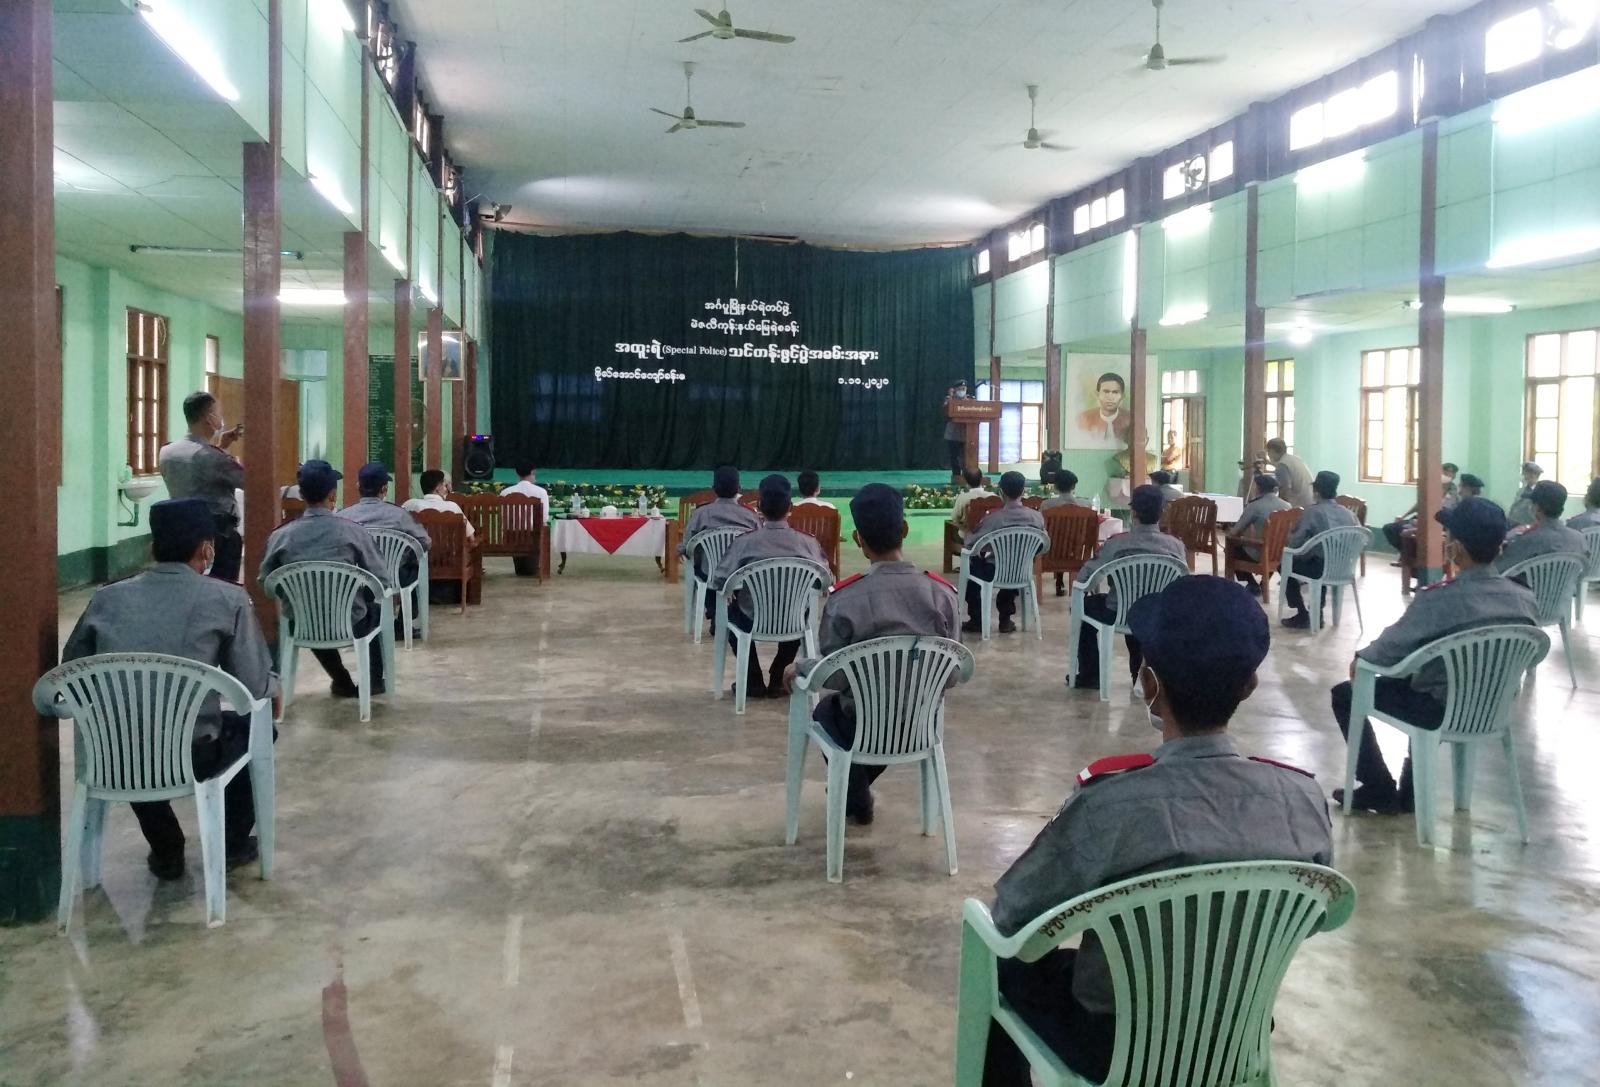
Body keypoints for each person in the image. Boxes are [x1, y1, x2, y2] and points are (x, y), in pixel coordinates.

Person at [985, 576, 1331, 1085]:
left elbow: (1014, 916)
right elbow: (1315, 917)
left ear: (1149, 685)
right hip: (1235, 1033)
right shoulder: (1301, 799)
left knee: (996, 961)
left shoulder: (1110, 802)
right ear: (1250, 686)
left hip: (1114, 1044)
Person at [61, 498, 277, 879]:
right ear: (207, 550)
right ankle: (232, 843)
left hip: (112, 754)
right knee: (257, 729)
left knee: (133, 732)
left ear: (152, 549)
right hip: (190, 755)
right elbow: (254, 684)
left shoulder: (106, 598)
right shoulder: (227, 599)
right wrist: (273, 689)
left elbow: (72, 668)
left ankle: (166, 846)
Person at [1330, 498, 1538, 813]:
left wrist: (1361, 658)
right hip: (1494, 709)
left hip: (1440, 711)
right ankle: (1410, 794)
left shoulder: (1440, 599)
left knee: (1347, 694)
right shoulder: (1524, 598)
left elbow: (1383, 654)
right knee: (1428, 682)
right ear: (1500, 546)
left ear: (1457, 548)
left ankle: (1378, 787)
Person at [782, 483, 959, 824]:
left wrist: (801, 666)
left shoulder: (845, 599)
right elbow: (950, 673)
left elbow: (834, 676)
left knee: (826, 711)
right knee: (886, 717)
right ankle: (855, 792)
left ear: (858, 539)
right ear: (904, 530)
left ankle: (854, 792)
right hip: (921, 722)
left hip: (861, 723)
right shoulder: (942, 594)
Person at [259, 461, 389, 698]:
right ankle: (374, 683)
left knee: (311, 614)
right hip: (351, 620)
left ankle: (341, 680)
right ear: (333, 495)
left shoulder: (280, 536)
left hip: (301, 622)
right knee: (374, 610)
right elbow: (381, 580)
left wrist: (296, 594)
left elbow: (266, 583)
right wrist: (361, 595)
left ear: (302, 495)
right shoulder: (353, 531)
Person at [710, 475, 830, 698]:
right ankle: (778, 677)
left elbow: (719, 580)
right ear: (790, 507)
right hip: (793, 618)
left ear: (759, 507)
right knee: (802, 611)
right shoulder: (808, 543)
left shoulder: (744, 542)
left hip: (752, 616)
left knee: (730, 611)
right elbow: (825, 579)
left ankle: (752, 679)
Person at [1068, 485, 1185, 689]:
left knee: (1084, 608)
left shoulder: (1117, 543)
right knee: (1142, 610)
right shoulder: (1176, 546)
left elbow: (1085, 579)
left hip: (1117, 611)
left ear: (1133, 512)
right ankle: (1144, 675)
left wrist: (1085, 589)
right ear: (1162, 512)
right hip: (1157, 613)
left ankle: (1090, 675)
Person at [158, 391, 245, 582]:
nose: (221, 418)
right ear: (210, 419)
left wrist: (222, 447)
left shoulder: (167, 451)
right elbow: (248, 480)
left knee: (188, 583)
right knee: (221, 587)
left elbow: (201, 474)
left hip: (180, 531)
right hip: (217, 535)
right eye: (219, 413)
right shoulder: (211, 457)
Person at [962, 471, 1046, 635]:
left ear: (1001, 491)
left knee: (973, 567)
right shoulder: (1037, 517)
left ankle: (977, 620)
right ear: (1023, 491)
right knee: (1012, 565)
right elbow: (1043, 543)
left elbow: (971, 544)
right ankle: (1005, 619)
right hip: (1022, 571)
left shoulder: (993, 519)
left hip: (994, 571)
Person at [336, 463, 431, 603]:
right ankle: (407, 615)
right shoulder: (399, 515)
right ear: (384, 489)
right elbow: (425, 542)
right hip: (394, 578)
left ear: (358, 487)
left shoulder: (343, 516)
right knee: (416, 568)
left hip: (356, 580)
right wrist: (404, 553)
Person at [1280, 470, 1361, 629]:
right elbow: (1360, 539)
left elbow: (1295, 543)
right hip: (1344, 569)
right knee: (1319, 562)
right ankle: (1317, 614)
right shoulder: (1349, 514)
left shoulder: (1311, 512)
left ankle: (1302, 614)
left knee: (1285, 565)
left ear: (1316, 491)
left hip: (1319, 568)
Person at [678, 465, 762, 576]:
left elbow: (687, 546)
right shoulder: (750, 516)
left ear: (713, 489)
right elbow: (759, 545)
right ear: (739, 489)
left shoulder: (700, 514)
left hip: (708, 574)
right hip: (741, 576)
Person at [1496, 480, 1587, 570]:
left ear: (1537, 509)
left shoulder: (1527, 540)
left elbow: (1500, 568)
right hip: (1568, 580)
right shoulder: (1579, 539)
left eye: (1531, 503)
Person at [1227, 473, 1291, 594]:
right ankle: (1263, 583)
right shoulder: (1287, 506)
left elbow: (1235, 532)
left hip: (1259, 554)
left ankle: (1252, 584)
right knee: (1272, 548)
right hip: (1281, 555)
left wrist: (1231, 532)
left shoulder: (1255, 506)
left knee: (1232, 548)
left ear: (1258, 488)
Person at [1382, 462, 1459, 551]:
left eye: (1451, 473)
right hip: (1421, 517)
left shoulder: (1453, 490)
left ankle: (1410, 553)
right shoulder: (1432, 486)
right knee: (1390, 528)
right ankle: (1406, 553)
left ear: (1454, 476)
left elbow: (1443, 510)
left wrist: (1422, 521)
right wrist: (1404, 516)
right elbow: (1420, 503)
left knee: (1411, 532)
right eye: (1445, 472)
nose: (1448, 475)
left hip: (1438, 521)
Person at [403, 469, 476, 539]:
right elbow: (470, 536)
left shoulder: (409, 505)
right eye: (444, 486)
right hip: (447, 548)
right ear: (437, 488)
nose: (446, 489)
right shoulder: (452, 507)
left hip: (419, 547)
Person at [1076, 372, 1131, 445]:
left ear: (1122, 396)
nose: (1110, 397)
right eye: (1106, 392)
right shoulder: (1084, 419)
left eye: (1115, 392)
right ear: (1097, 394)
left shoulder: (1130, 419)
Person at [1265, 437, 1311, 508]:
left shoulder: (1282, 465)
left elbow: (1285, 490)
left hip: (1299, 505)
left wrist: (1280, 507)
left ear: (1272, 451)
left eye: (1268, 452)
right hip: (1310, 500)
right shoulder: (1294, 459)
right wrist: (1268, 462)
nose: (1268, 455)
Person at [948, 467, 992, 542]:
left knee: (950, 527)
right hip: (989, 537)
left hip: (967, 537)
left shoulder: (962, 498)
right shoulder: (993, 497)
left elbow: (954, 518)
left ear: (965, 481)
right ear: (981, 479)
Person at [944, 380, 970, 484]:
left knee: (966, 457)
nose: (962, 391)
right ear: (955, 390)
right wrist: (950, 396)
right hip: (953, 434)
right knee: (954, 457)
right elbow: (945, 410)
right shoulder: (950, 400)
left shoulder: (970, 401)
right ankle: (956, 477)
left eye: (964, 389)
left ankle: (967, 477)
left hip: (967, 434)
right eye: (960, 389)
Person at [1508, 462, 1542, 527]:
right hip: (1517, 524)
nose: (1525, 477)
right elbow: (1515, 507)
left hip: (1533, 526)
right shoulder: (1521, 491)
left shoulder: (1540, 491)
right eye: (1525, 473)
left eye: (1528, 474)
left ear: (1535, 475)